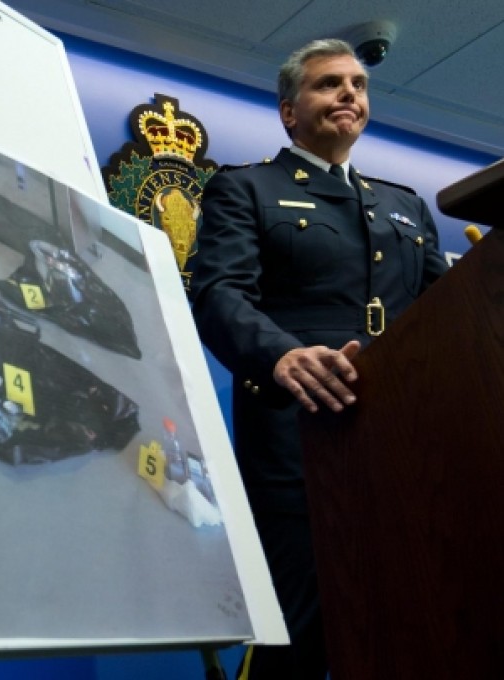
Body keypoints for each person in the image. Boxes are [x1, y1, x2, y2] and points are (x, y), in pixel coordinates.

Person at [190, 38, 449, 679]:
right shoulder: (247, 189)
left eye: (358, 85)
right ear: (289, 110)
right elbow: (218, 292)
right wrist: (279, 355)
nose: (349, 95)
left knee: (411, 623)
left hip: (404, 448)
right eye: (329, 83)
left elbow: (449, 318)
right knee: (298, 632)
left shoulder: (405, 205)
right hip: (298, 442)